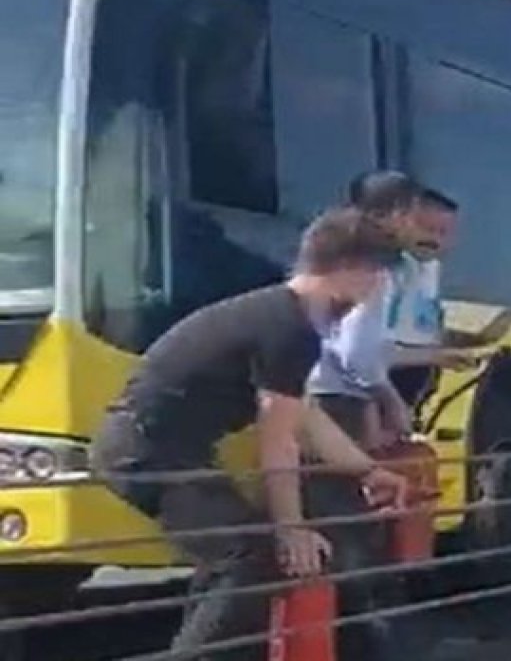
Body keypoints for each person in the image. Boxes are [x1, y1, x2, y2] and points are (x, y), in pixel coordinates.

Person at [90, 207, 410, 661]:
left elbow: (306, 417)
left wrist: (367, 469)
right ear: (349, 269)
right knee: (249, 557)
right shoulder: (291, 328)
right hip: (147, 450)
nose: (376, 289)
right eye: (376, 274)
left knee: (235, 557)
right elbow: (278, 440)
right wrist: (292, 530)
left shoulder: (281, 316)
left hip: (152, 447)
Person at [304, 171, 511, 659]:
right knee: (358, 518)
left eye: (446, 233)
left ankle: (378, 632)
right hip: (351, 398)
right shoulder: (377, 268)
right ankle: (368, 638)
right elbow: (359, 351)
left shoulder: (415, 271)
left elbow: (414, 335)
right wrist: (388, 395)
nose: (436, 241)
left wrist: (468, 342)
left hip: (369, 396)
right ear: (391, 218)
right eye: (422, 225)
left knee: (384, 514)